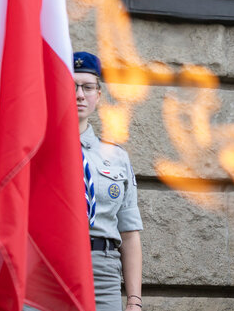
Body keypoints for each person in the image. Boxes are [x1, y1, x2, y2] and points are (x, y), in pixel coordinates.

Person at [75, 51, 144, 311]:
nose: (80, 94)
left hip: (103, 273)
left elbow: (129, 234)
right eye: (72, 85)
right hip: (48, 267)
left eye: (88, 87)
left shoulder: (116, 158)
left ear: (98, 95)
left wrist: (134, 300)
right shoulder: (39, 150)